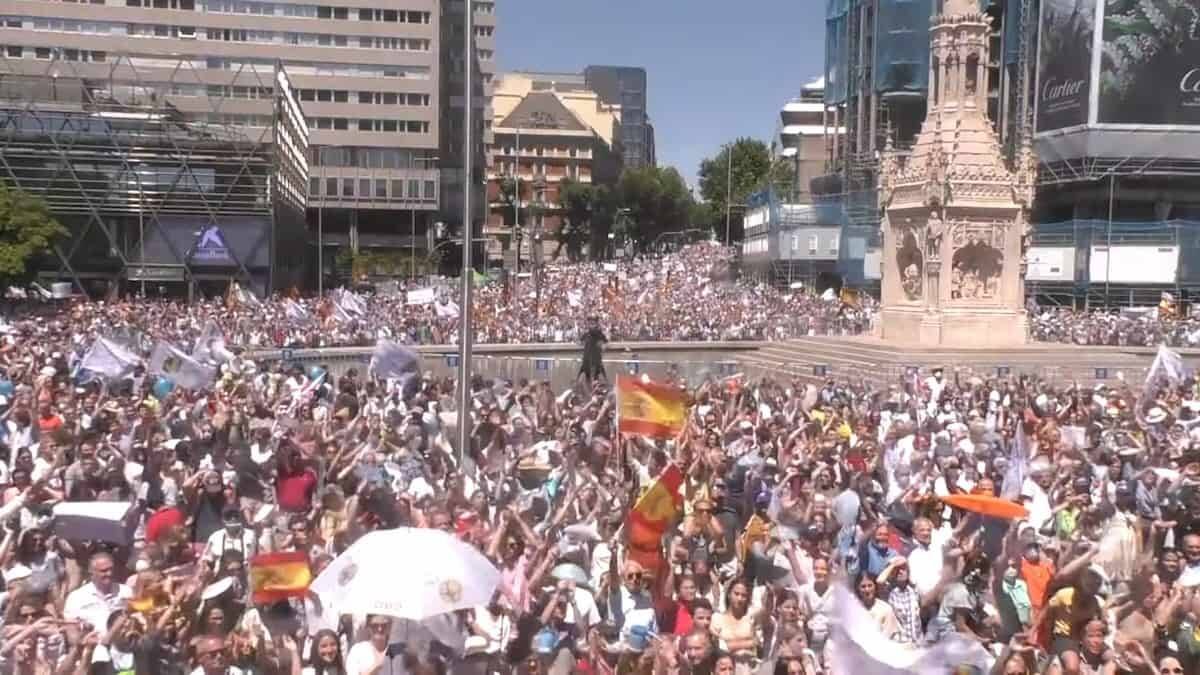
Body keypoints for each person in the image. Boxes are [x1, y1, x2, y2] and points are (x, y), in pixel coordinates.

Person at [578, 317, 607, 384]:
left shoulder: (599, 333)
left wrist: (603, 346)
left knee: (597, 373)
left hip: (596, 358)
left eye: (593, 324)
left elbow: (605, 342)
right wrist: (580, 343)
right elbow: (580, 341)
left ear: (596, 324)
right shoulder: (586, 334)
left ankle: (599, 383)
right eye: (590, 324)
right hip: (587, 357)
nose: (591, 325)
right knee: (586, 373)